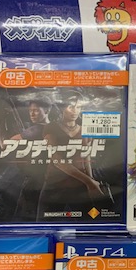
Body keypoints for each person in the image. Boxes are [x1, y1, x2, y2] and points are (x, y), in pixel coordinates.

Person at [36, 92, 109, 220]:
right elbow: (57, 160)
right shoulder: (51, 127)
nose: (75, 110)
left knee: (89, 224)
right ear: (62, 107)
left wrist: (91, 181)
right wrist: (89, 181)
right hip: (54, 186)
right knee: (44, 224)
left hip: (80, 186)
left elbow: (86, 157)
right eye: (71, 106)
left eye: (78, 107)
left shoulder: (85, 129)